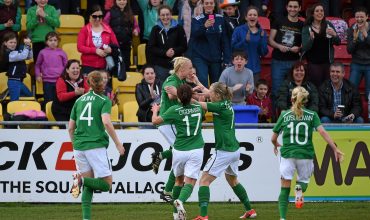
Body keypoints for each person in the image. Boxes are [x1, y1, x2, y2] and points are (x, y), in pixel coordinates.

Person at [271, 86, 344, 220]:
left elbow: (273, 137)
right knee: (303, 182)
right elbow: (322, 132)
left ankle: (282, 218)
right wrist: (334, 148)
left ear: (292, 98)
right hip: (305, 155)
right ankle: (299, 189)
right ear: (306, 100)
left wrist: (275, 144)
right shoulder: (312, 115)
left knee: (284, 187)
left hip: (288, 154)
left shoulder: (284, 115)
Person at [193, 82, 257, 220]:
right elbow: (210, 93)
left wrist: (183, 95)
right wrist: (197, 82)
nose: (209, 94)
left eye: (211, 92)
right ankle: (250, 210)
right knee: (233, 181)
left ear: (217, 95)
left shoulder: (219, 106)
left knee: (204, 181)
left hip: (224, 151)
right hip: (234, 149)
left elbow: (199, 104)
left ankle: (203, 216)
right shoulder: (226, 102)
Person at [68, 70, 125, 220]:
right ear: (102, 82)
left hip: (79, 146)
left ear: (88, 83)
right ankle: (80, 180)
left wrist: (75, 145)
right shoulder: (103, 100)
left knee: (90, 184)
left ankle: (86, 218)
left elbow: (70, 127)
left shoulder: (79, 100)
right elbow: (106, 122)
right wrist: (118, 144)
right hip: (95, 145)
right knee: (106, 184)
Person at [152, 83, 205, 220]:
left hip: (179, 150)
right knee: (190, 181)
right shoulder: (198, 108)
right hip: (196, 149)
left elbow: (155, 122)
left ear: (178, 97)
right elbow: (201, 105)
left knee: (178, 180)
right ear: (190, 96)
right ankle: (180, 201)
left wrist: (155, 110)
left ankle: (176, 214)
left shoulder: (174, 109)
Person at [150, 57, 193, 202]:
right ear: (182, 69)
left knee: (178, 154)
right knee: (182, 150)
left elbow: (180, 95)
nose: (191, 70)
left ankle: (167, 189)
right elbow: (170, 94)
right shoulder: (171, 80)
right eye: (190, 67)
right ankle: (168, 190)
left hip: (172, 122)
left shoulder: (180, 81)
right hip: (167, 122)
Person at [268, 0, 303, 106]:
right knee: (276, 92)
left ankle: (292, 116)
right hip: (278, 61)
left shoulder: (302, 24)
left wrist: (299, 48)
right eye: (290, 6)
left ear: (300, 8)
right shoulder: (278, 21)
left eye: (295, 7)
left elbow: (305, 43)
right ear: (287, 7)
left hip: (294, 62)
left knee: (295, 92)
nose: (293, 9)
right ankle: (275, 120)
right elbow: (270, 40)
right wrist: (279, 46)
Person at [190, 0, 231, 87]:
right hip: (200, 57)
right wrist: (204, 27)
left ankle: (214, 101)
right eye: (206, 3)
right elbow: (194, 34)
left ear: (214, 5)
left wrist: (227, 58)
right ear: (203, 5)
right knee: (203, 82)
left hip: (216, 58)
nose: (209, 5)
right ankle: (204, 100)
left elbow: (225, 40)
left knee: (216, 86)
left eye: (211, 3)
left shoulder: (220, 19)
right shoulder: (197, 19)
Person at [301, 3, 340, 89]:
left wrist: (334, 35)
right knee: (316, 88)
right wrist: (311, 39)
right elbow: (305, 47)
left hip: (327, 63)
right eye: (317, 11)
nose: (320, 13)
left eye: (321, 11)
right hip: (313, 64)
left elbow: (338, 42)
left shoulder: (329, 24)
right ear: (312, 14)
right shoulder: (307, 27)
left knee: (327, 88)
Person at [147, 5, 188, 82]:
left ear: (171, 14)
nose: (165, 17)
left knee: (177, 89)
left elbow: (184, 46)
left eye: (167, 14)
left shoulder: (179, 28)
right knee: (163, 89)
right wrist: (165, 53)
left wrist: (174, 51)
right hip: (160, 66)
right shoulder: (155, 29)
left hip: (176, 65)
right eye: (163, 15)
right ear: (159, 16)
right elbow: (151, 47)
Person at [77, 4, 118, 75]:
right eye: (94, 16)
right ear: (90, 16)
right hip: (88, 65)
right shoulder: (84, 30)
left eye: (100, 16)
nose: (98, 19)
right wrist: (95, 50)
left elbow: (116, 45)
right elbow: (80, 47)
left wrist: (110, 49)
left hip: (104, 65)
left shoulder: (108, 29)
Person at [232, 6, 268, 83]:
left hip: (255, 70)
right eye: (250, 15)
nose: (252, 16)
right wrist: (245, 41)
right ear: (246, 17)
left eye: (255, 15)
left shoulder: (262, 32)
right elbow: (233, 48)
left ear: (258, 18)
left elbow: (264, 52)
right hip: (239, 68)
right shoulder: (238, 30)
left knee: (252, 93)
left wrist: (262, 39)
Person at [104, 0, 140, 70]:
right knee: (115, 67)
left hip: (126, 45)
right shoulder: (110, 13)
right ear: (115, 1)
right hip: (114, 46)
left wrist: (136, 30)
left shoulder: (130, 13)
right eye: (119, 0)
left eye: (124, 0)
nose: (122, 2)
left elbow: (136, 26)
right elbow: (104, 26)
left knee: (126, 66)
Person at [35, 31, 68, 103]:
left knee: (58, 100)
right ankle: (47, 113)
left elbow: (66, 66)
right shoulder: (42, 52)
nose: (53, 42)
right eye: (50, 40)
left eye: (55, 40)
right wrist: (38, 75)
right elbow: (37, 65)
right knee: (48, 100)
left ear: (58, 41)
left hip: (59, 80)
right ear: (46, 42)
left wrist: (65, 77)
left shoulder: (62, 52)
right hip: (47, 81)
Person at [0, 32, 33, 101]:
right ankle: (13, 111)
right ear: (5, 43)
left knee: (30, 97)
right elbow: (23, 56)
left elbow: (29, 56)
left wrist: (29, 47)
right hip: (13, 81)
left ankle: (8, 92)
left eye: (14, 42)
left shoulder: (16, 52)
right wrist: (26, 45)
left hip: (19, 81)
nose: (13, 44)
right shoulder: (9, 54)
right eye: (10, 42)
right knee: (15, 101)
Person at [347, 7, 370, 99]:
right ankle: (351, 113)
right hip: (356, 64)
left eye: (362, 17)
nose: (359, 19)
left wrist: (366, 34)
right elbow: (349, 50)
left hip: (369, 64)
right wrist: (355, 39)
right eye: (357, 17)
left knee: (369, 93)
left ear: (367, 17)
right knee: (350, 90)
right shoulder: (351, 29)